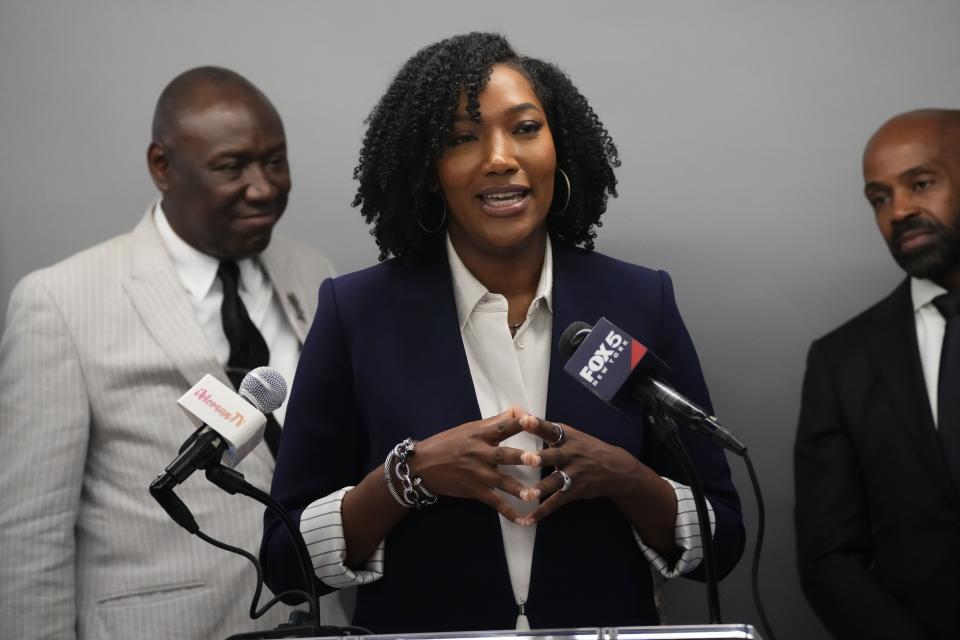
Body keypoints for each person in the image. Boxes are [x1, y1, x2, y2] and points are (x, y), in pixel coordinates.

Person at [262, 33, 744, 634]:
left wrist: (626, 478)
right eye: (462, 138)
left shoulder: (635, 303)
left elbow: (722, 542)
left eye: (524, 128)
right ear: (428, 170)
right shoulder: (359, 313)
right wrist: (408, 478)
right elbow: (284, 562)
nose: (499, 156)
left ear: (558, 148)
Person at [0, 67, 341, 639]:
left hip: (316, 623)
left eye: (275, 161)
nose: (263, 186)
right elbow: (28, 534)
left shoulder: (314, 275)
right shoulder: (59, 302)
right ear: (163, 167)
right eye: (232, 167)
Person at [794, 109, 960, 639]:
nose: (900, 211)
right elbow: (828, 557)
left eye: (921, 183)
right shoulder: (841, 361)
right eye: (879, 199)